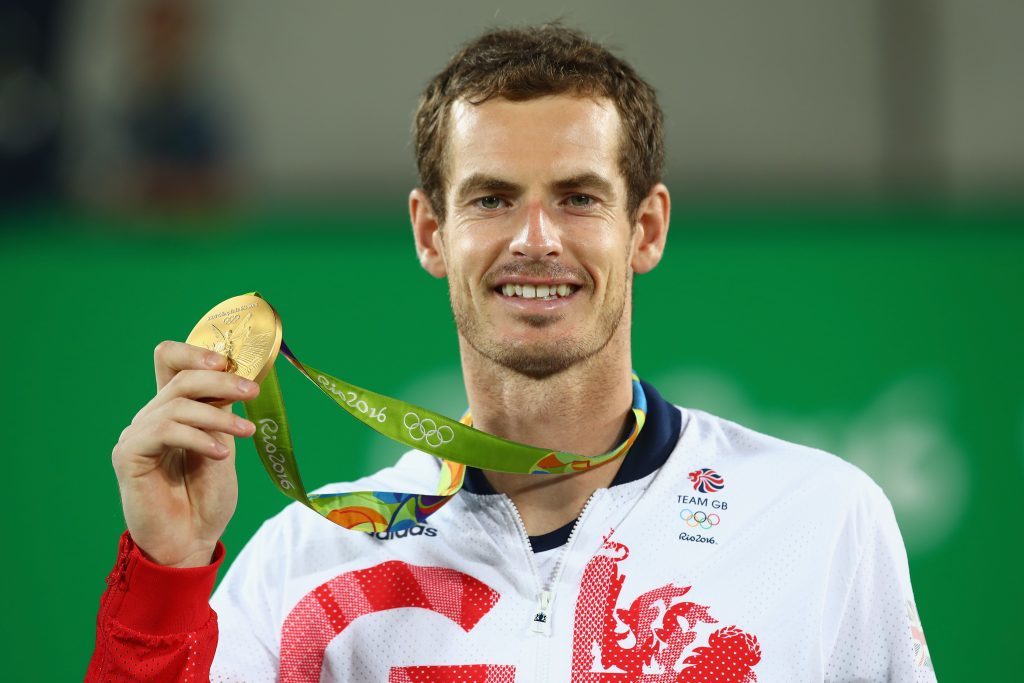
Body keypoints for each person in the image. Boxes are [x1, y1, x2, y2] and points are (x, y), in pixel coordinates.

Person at [87, 24, 936, 682]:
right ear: (431, 231)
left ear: (646, 228)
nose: (535, 239)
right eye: (492, 198)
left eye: (577, 198)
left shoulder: (818, 519)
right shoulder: (306, 557)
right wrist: (166, 568)